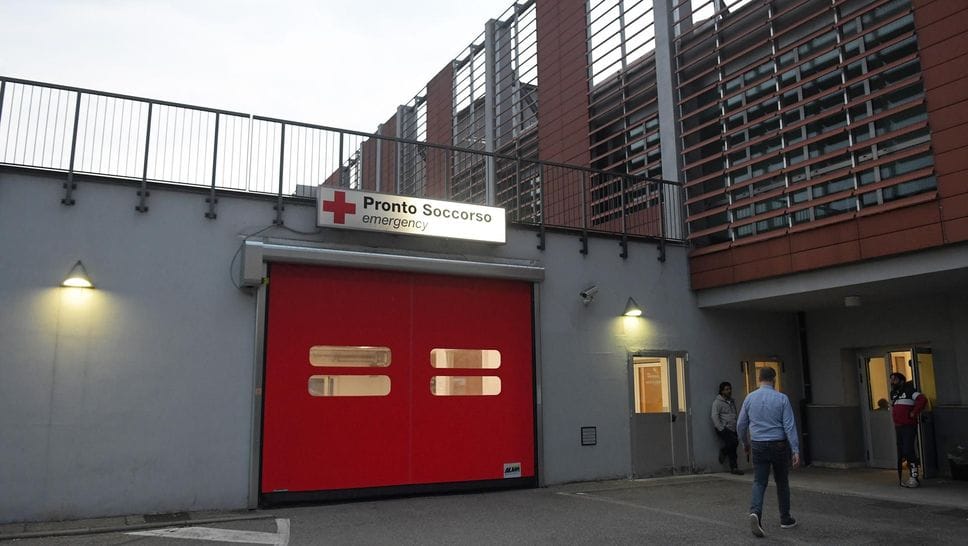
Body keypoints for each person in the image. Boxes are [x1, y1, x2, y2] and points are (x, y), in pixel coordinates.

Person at [737, 366, 800, 538]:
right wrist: (795, 449)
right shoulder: (782, 398)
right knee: (782, 482)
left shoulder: (750, 398)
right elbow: (789, 425)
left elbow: (741, 424)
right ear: (774, 379)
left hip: (758, 444)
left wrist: (745, 443)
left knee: (759, 482)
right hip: (778, 444)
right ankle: (785, 518)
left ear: (759, 379)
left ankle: (755, 513)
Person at [890, 372, 927, 488]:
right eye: (891, 380)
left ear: (901, 380)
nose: (892, 382)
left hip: (908, 426)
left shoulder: (910, 390)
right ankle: (907, 476)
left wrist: (913, 413)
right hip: (898, 426)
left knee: (908, 450)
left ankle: (914, 477)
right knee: (902, 451)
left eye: (894, 379)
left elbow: (922, 399)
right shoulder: (894, 394)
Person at [711, 381, 743, 475]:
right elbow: (714, 416)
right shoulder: (717, 402)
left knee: (733, 447)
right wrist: (721, 428)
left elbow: (734, 414)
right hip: (724, 428)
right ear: (721, 391)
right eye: (726, 389)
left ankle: (734, 468)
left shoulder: (732, 402)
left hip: (733, 428)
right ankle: (724, 451)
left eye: (730, 389)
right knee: (734, 442)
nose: (729, 391)